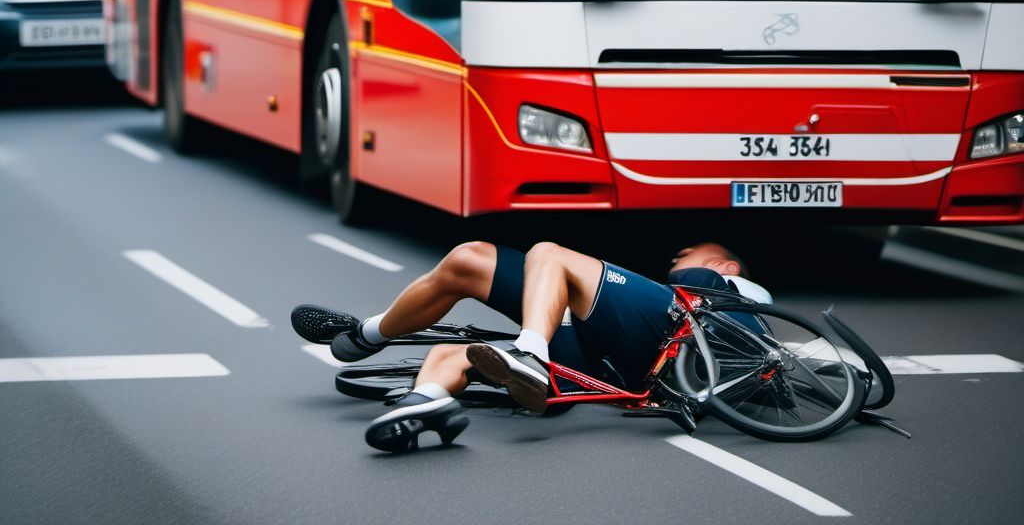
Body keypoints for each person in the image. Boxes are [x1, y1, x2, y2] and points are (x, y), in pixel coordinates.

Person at [292, 239, 770, 453]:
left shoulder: (721, 287)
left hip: (665, 337)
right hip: (601, 363)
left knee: (549, 254)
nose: (678, 257)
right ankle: (426, 401)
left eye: (689, 252)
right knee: (467, 262)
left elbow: (799, 361)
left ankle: (531, 355)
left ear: (725, 265)